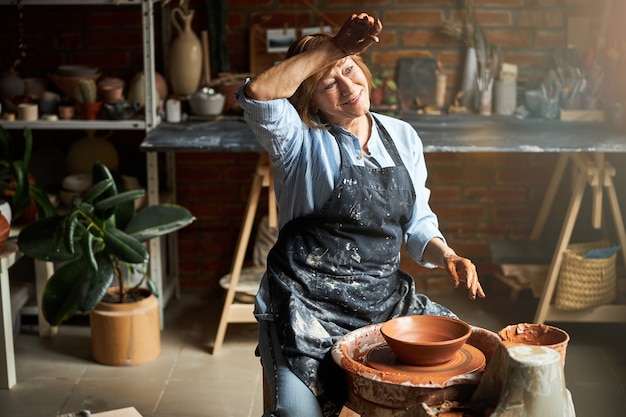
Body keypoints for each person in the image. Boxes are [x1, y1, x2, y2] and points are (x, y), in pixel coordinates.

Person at [235, 12, 485, 417]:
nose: (349, 87)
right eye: (328, 83)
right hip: (305, 305)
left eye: (350, 70)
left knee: (464, 380)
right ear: (309, 99)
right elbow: (260, 93)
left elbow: (418, 220)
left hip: (383, 300)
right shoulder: (297, 142)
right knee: (296, 414)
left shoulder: (401, 135)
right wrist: (335, 49)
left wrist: (447, 255)